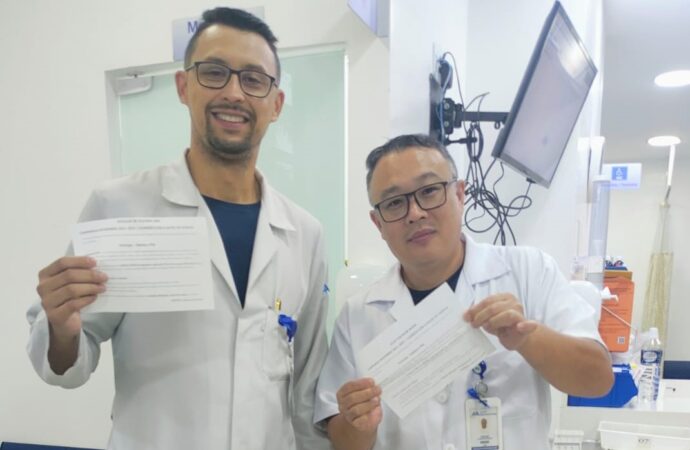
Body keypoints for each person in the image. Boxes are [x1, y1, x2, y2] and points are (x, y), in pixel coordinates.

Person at [27, 8, 330, 450]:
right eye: (214, 72)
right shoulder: (119, 206)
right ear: (184, 87)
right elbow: (69, 363)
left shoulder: (305, 234)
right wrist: (61, 327)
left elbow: (307, 389)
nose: (233, 93)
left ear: (276, 104)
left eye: (253, 79)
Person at [314, 134, 614, 450]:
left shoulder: (529, 271)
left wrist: (528, 339)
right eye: (394, 203)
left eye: (429, 191)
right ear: (378, 224)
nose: (414, 213)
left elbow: (598, 380)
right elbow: (342, 439)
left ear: (459, 194)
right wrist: (357, 425)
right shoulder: (358, 315)